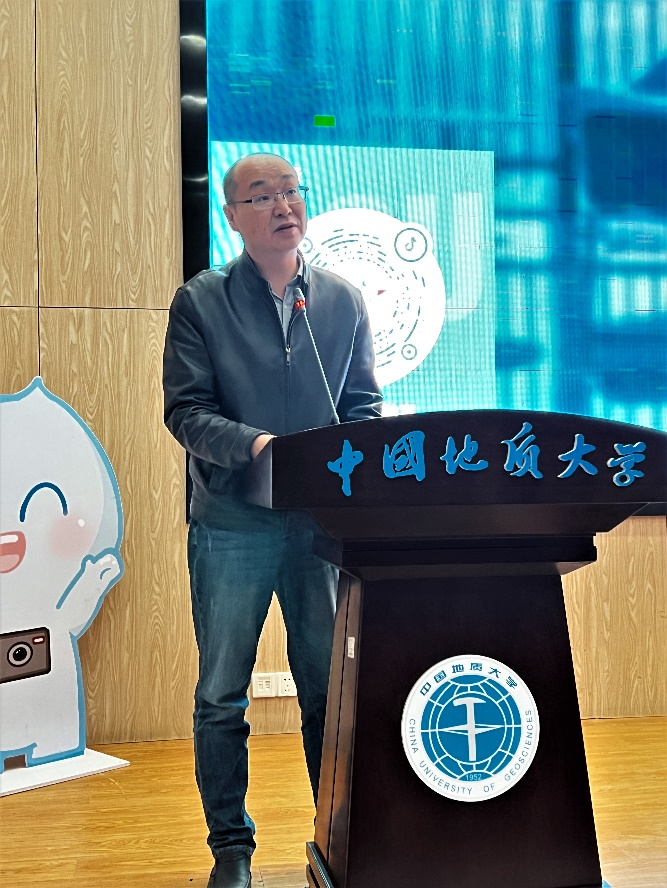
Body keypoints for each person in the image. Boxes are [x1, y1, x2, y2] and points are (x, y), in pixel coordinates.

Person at [163, 153, 382, 888]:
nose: (284, 206)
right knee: (221, 694)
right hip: (233, 522)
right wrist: (258, 447)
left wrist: (354, 470)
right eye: (263, 197)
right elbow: (186, 411)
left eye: (291, 192)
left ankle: (336, 837)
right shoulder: (202, 302)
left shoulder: (342, 300)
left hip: (318, 527)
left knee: (328, 690)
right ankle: (231, 848)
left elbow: (362, 410)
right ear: (232, 216)